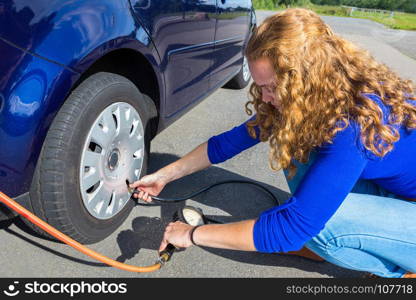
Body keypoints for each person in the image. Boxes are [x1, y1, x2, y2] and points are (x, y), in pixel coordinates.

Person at [130, 8, 416, 278]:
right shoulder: (326, 93)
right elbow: (227, 143)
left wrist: (190, 234)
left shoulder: (353, 124)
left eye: (272, 87)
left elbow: (290, 228)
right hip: (394, 191)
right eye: (261, 86)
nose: (264, 97)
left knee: (319, 228)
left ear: (306, 79)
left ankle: (400, 268)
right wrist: (163, 176)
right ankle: (330, 237)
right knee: (294, 140)